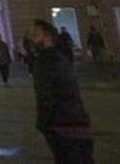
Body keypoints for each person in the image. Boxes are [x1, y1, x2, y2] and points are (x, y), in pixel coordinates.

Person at [29, 19, 93, 163]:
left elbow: (44, 97)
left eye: (35, 34)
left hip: (60, 126)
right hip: (80, 122)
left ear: (47, 37)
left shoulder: (43, 63)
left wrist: (42, 124)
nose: (30, 38)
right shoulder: (61, 59)